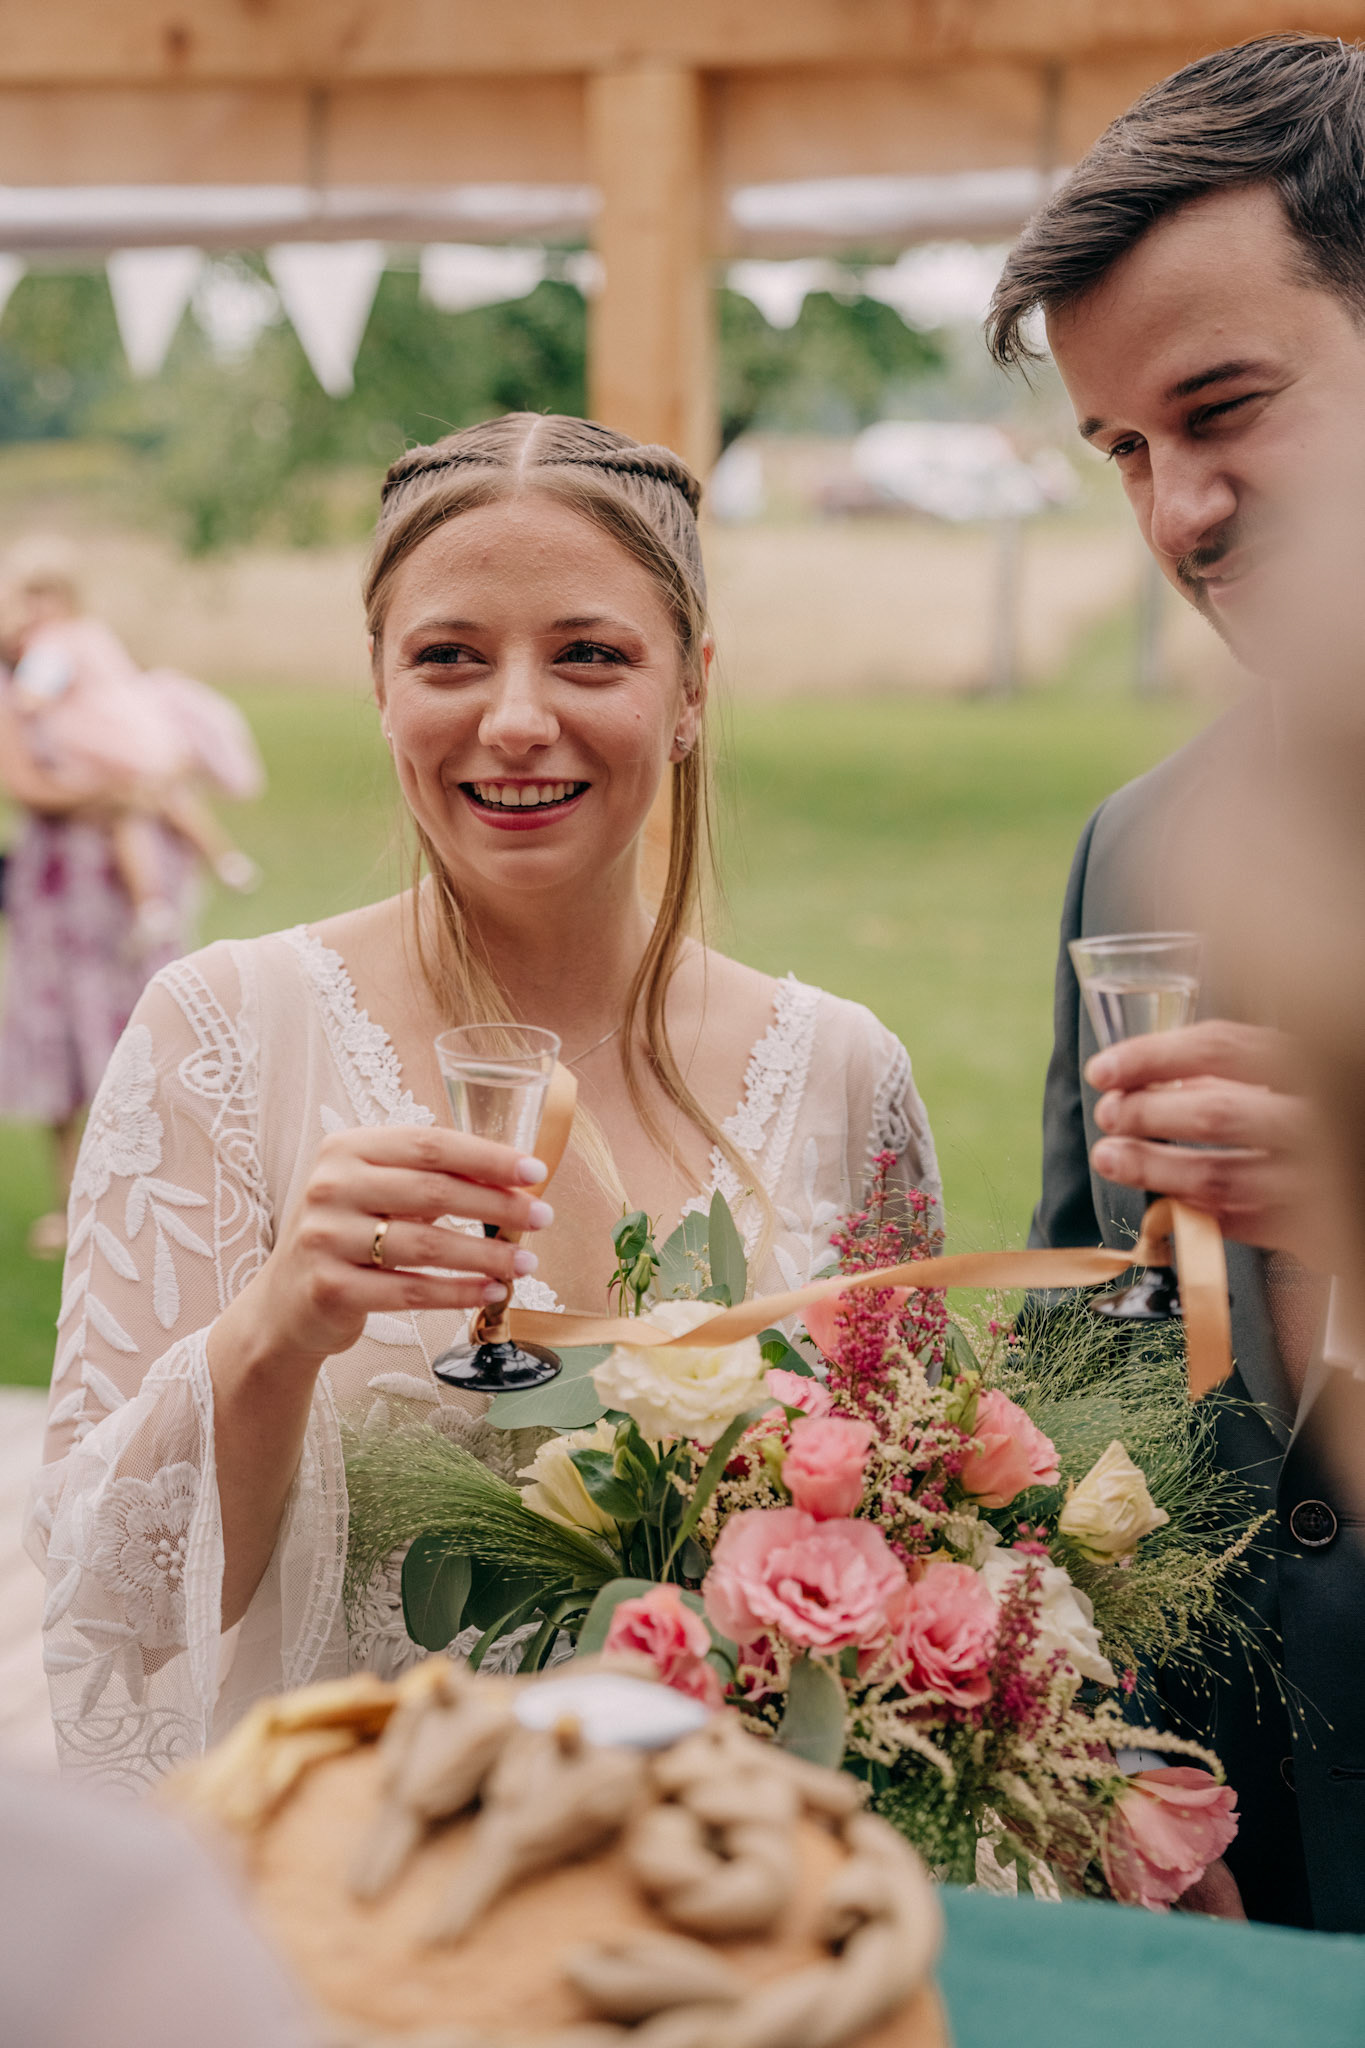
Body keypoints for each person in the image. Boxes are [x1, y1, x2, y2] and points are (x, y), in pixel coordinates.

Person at [25, 413, 939, 1788]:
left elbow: (917, 1552)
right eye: (449, 656)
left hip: (728, 1878)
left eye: (589, 654)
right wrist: (277, 1325)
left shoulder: (847, 1074)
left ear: (692, 689)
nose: (514, 719)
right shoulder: (219, 1036)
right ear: (381, 684)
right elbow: (113, 1613)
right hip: (350, 1876)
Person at [987, 33, 1365, 1932]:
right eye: (1126, 449)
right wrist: (1115, 1781)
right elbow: (1091, 1373)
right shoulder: (1135, 849)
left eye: (1224, 409)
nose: (1178, 514)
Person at [5, 550, 263, 953]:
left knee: (128, 816)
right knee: (164, 799)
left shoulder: (52, 644)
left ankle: (152, 903)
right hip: (131, 731)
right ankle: (223, 860)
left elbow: (33, 694)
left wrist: (22, 701)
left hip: (96, 740)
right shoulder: (92, 632)